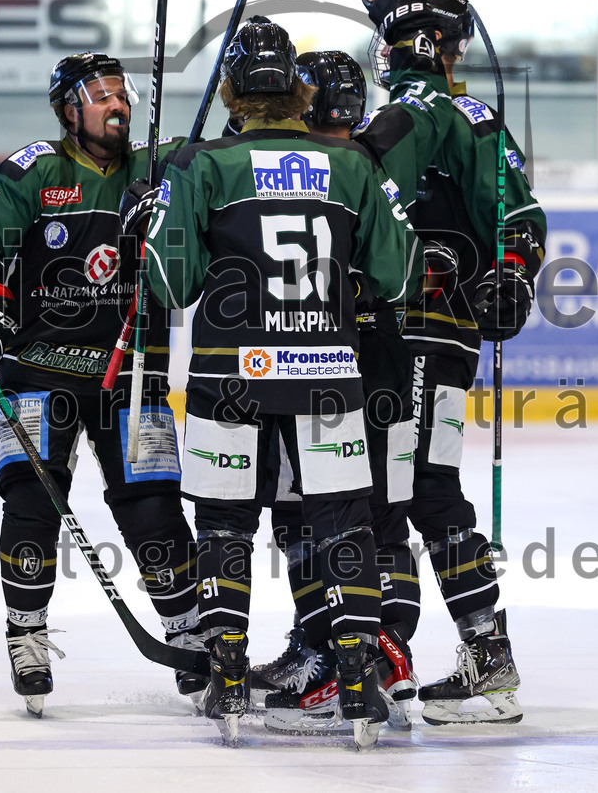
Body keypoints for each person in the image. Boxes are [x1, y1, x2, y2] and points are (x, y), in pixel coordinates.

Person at [142, 18, 424, 748]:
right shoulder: (354, 167)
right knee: (341, 527)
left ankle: (228, 676)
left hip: (228, 378)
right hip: (328, 375)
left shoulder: (201, 165)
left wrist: (158, 223)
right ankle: (358, 679)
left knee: (227, 526)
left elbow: (170, 284)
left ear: (233, 92)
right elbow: (399, 275)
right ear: (300, 92)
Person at [0, 52, 203, 717]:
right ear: (69, 111)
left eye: (121, 94)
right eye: (100, 96)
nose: (116, 105)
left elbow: (231, 154)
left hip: (133, 374)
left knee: (154, 513)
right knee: (30, 506)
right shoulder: (35, 170)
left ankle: (188, 632)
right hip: (36, 369)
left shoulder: (160, 168)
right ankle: (26, 633)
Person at [352, 0, 547, 726]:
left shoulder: (453, 115)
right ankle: (381, 650)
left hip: (431, 327)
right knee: (379, 491)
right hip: (383, 332)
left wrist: (512, 273)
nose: (389, 54)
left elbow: (519, 217)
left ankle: (485, 656)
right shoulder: (415, 111)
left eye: (399, 40)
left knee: (422, 487)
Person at [249, 50, 422, 735]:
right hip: (388, 362)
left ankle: (334, 655)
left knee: (311, 513)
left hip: (337, 366)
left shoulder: (333, 174)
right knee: (381, 519)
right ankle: (383, 657)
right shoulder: (365, 168)